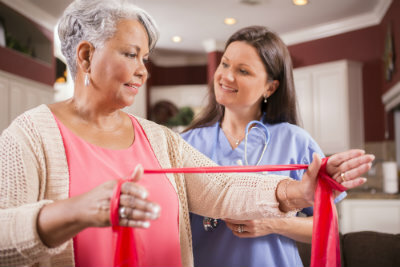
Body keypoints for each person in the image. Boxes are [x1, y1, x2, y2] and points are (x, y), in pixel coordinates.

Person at [0, 1, 373, 267]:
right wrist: (75, 211)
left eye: (145, 58)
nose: (143, 71)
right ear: (84, 57)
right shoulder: (30, 136)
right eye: (131, 54)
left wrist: (297, 191)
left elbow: (221, 188)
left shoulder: (159, 138)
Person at [182, 26, 368, 267]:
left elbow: (328, 226)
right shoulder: (186, 143)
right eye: (225, 64)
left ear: (270, 87)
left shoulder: (296, 140)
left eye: (243, 71)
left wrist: (272, 223)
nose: (226, 76)